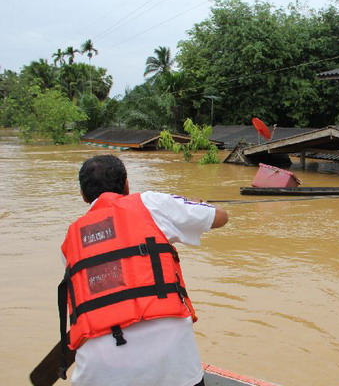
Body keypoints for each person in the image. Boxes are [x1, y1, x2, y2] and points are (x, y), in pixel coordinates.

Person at [58, 154, 228, 386]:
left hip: (98, 375)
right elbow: (220, 217)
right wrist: (191, 203)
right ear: (126, 185)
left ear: (83, 195)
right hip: (173, 369)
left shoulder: (70, 241)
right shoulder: (151, 203)